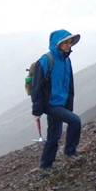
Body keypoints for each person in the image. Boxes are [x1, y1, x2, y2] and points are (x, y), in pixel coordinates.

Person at [31, 29, 83, 177]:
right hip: (50, 104)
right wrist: (36, 109)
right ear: (57, 44)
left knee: (54, 135)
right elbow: (36, 86)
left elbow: (69, 84)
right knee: (75, 121)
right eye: (65, 42)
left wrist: (69, 105)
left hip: (60, 103)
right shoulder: (46, 59)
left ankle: (45, 166)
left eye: (70, 42)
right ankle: (69, 153)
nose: (69, 45)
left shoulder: (66, 60)